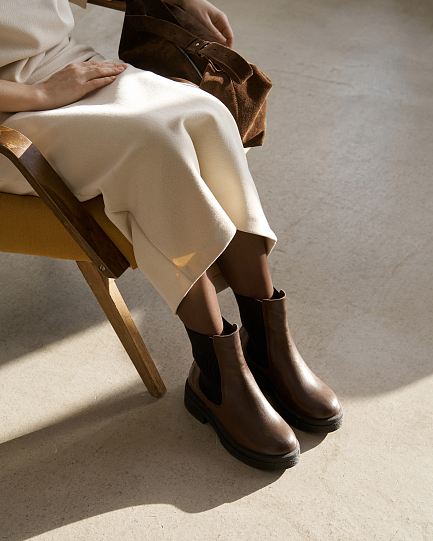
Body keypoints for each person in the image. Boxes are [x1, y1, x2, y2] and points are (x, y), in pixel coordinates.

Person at [0, 0, 342, 470]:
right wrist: (39, 94)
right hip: (12, 111)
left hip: (65, 66)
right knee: (153, 145)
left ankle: (268, 344)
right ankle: (215, 373)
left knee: (207, 111)